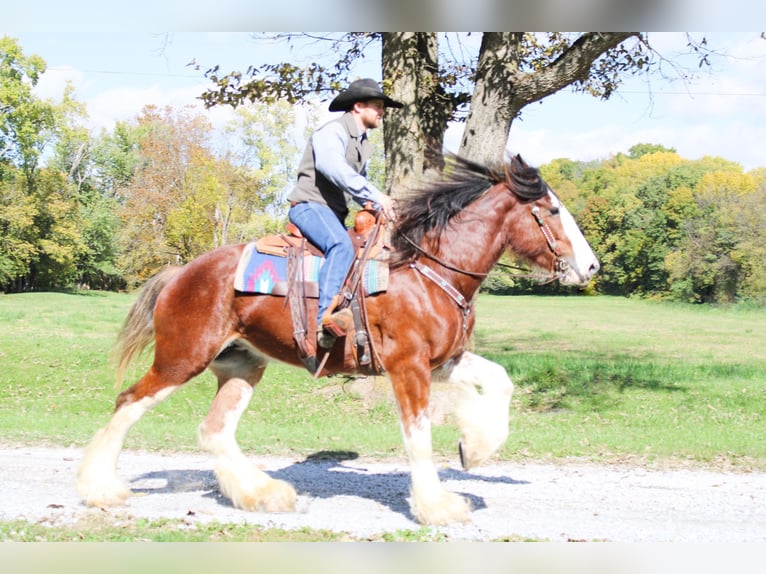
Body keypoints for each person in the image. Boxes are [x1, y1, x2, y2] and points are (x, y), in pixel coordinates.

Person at [287, 78, 401, 349]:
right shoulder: (332, 132)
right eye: (377, 106)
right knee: (341, 245)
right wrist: (376, 196)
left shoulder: (363, 144)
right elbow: (334, 168)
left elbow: (355, 182)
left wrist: (374, 205)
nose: (381, 111)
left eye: (382, 107)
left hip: (331, 213)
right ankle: (324, 321)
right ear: (358, 106)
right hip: (309, 206)